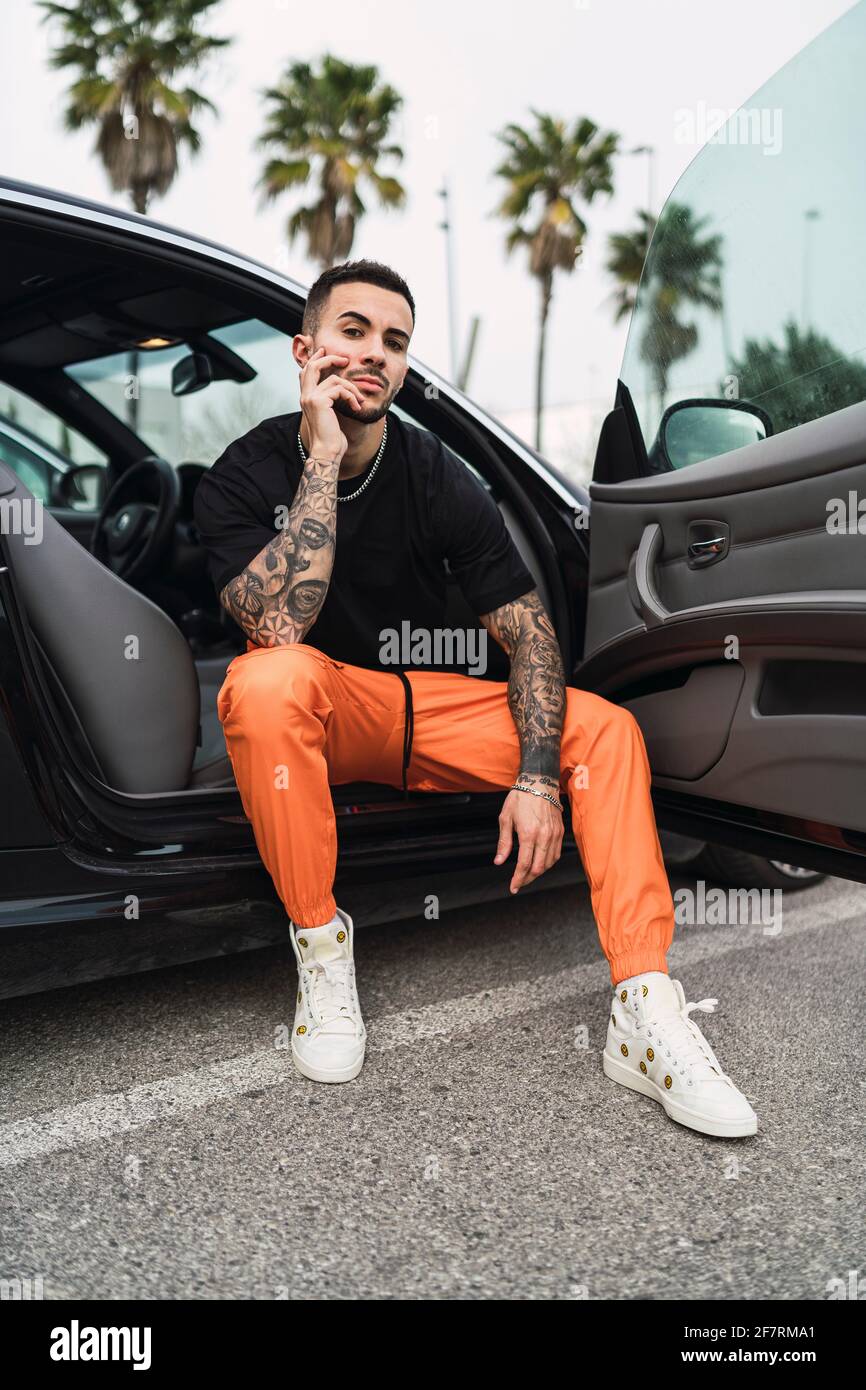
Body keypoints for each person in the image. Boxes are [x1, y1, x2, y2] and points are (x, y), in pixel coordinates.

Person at [193, 259, 757, 1138]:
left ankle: (646, 1011)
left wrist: (536, 778)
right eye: (353, 332)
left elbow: (531, 634)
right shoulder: (241, 473)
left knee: (603, 731)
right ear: (305, 351)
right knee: (265, 681)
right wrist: (324, 460)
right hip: (329, 706)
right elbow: (278, 626)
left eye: (394, 342)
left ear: (406, 368)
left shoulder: (437, 474)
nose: (374, 355)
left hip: (435, 705)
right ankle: (322, 948)